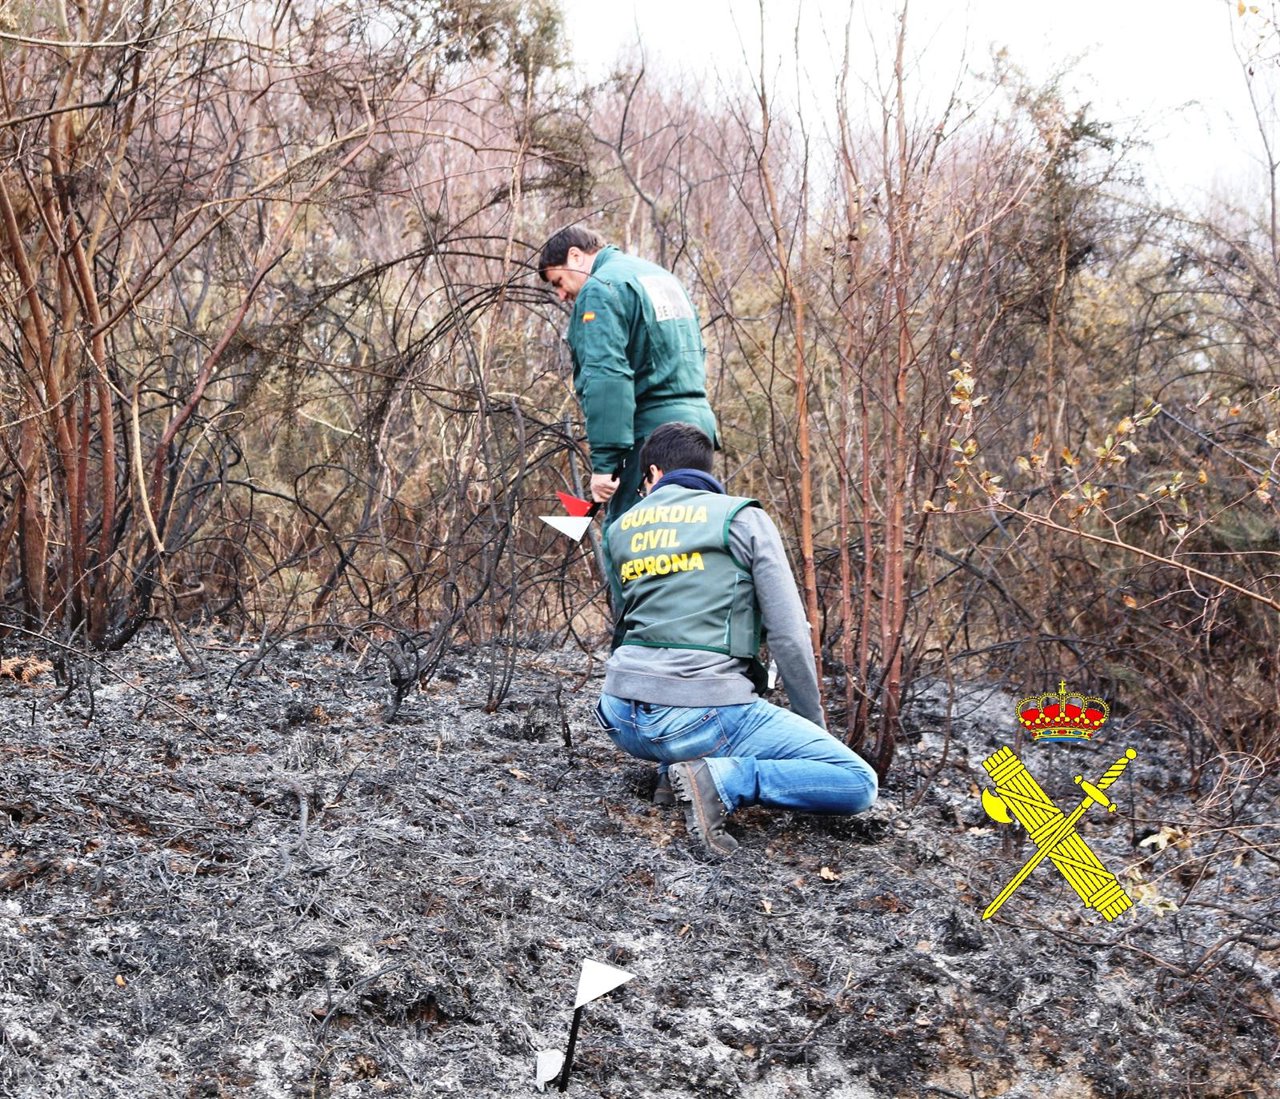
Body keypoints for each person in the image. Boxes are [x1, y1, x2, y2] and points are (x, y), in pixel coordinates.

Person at [594, 422, 879, 857]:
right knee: (858, 783)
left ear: (652, 474)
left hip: (618, 715)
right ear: (706, 470)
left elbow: (631, 623)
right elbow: (788, 635)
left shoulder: (622, 527)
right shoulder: (741, 518)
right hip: (699, 721)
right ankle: (722, 780)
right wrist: (813, 726)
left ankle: (670, 777)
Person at [538, 226, 718, 523]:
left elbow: (607, 378)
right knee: (693, 533)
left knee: (631, 535)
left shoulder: (600, 287)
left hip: (651, 438)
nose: (560, 294)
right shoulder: (663, 278)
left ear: (575, 256)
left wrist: (604, 465)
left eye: (558, 280)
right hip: (697, 433)